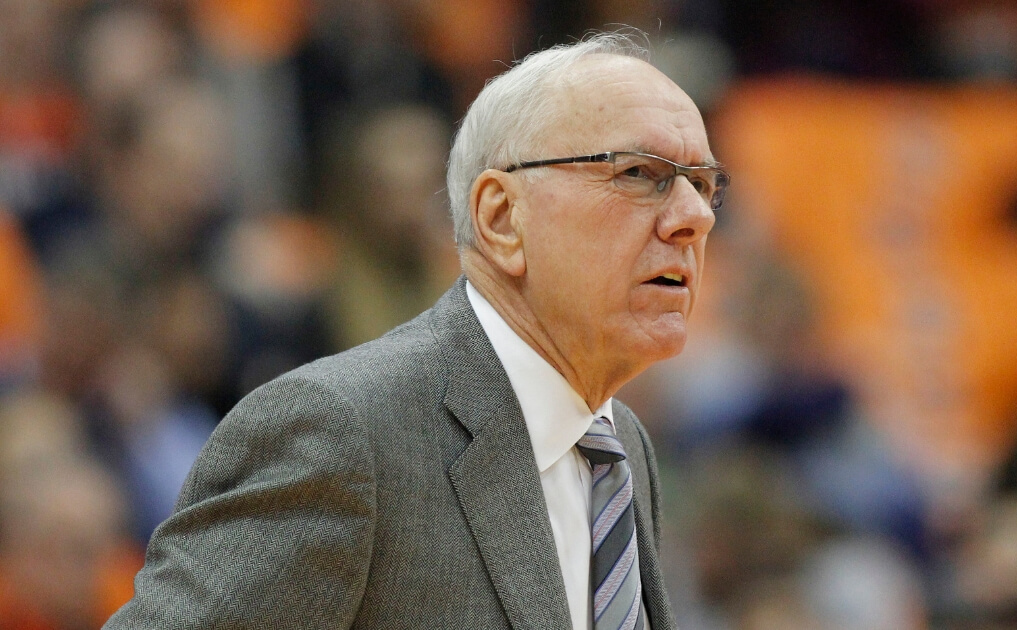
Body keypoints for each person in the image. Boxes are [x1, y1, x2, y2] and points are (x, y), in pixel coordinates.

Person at [105, 31, 727, 629]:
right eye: (639, 174)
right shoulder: (340, 433)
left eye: (702, 184)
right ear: (503, 217)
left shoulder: (623, 447)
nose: (694, 217)